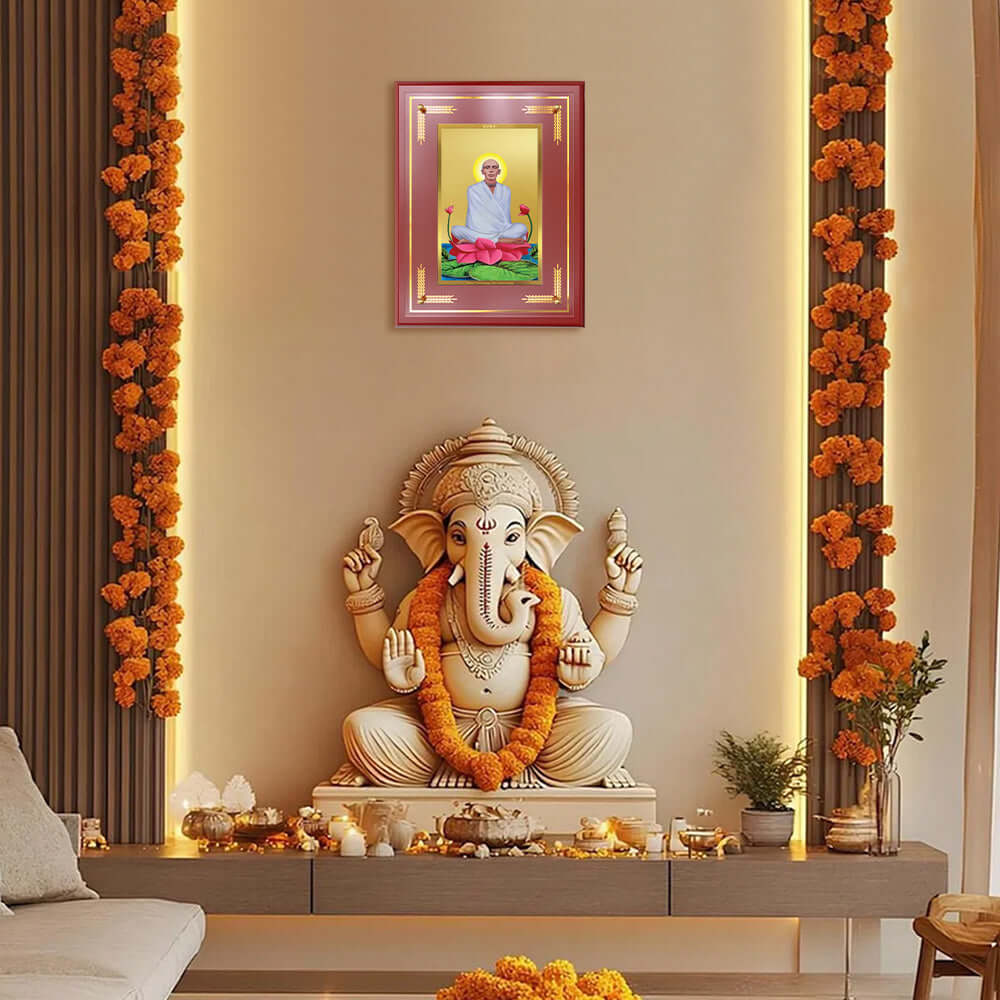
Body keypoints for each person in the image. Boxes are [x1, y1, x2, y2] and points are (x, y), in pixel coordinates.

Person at [450, 159, 528, 243]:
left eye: (494, 167)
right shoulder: (473, 189)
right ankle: (502, 240)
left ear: (499, 172)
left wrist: (501, 228)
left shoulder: (506, 190)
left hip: (501, 230)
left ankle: (475, 240)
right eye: (487, 167)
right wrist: (485, 230)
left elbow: (505, 216)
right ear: (482, 171)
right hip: (479, 230)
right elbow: (474, 216)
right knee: (455, 229)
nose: (491, 170)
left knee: (522, 227)